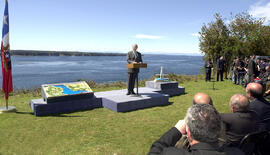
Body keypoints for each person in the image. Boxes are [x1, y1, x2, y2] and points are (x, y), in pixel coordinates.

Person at [148, 104, 245, 155]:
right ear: (219, 130)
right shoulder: (237, 153)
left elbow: (156, 150)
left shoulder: (171, 153)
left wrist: (176, 130)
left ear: (188, 133)